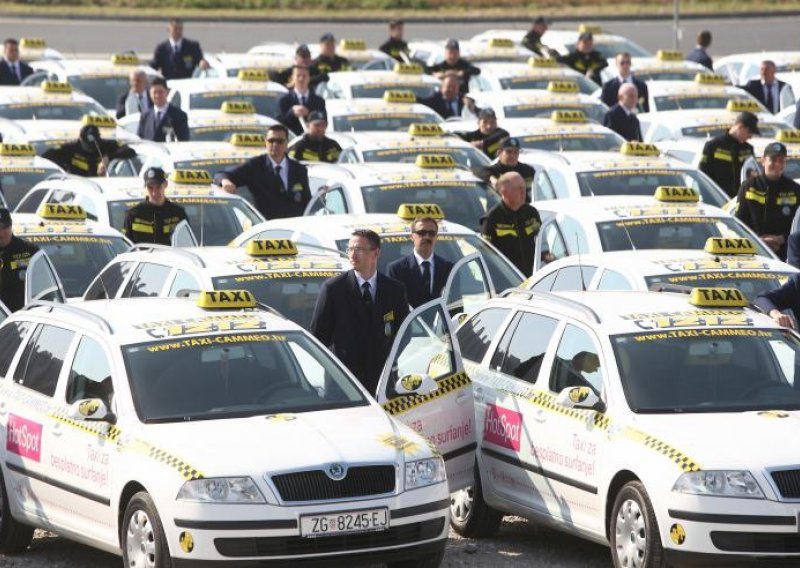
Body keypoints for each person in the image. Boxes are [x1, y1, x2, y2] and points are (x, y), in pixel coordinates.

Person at [310, 229, 409, 393]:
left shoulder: (395, 290)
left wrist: (388, 358)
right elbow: (318, 334)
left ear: (375, 253)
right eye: (350, 249)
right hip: (344, 384)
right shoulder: (333, 289)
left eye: (359, 249)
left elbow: (404, 332)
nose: (352, 254)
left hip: (381, 382)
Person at [215, 124, 310, 220]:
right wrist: (225, 181)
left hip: (292, 228)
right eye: (271, 141)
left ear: (286, 144)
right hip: (265, 227)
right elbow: (222, 174)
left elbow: (307, 201)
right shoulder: (255, 166)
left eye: (280, 141)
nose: (275, 145)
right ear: (265, 142)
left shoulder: (299, 169)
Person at [735, 142, 800, 260]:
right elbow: (739, 222)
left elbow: (798, 225)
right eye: (773, 159)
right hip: (753, 252)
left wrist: (781, 238)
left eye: (782, 160)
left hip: (784, 254)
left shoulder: (795, 189)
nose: (778, 164)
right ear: (763, 161)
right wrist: (759, 241)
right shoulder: (749, 186)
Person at [481, 172, 542, 276]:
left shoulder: (532, 213)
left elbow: (542, 242)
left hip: (534, 276)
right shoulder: (492, 219)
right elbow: (487, 256)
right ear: (504, 191)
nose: (524, 192)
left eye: (524, 188)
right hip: (508, 281)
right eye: (518, 188)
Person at [387, 216, 454, 308]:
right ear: (412, 236)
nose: (427, 237)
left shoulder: (449, 268)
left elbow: (455, 304)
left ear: (436, 237)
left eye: (431, 233)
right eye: (421, 233)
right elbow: (394, 306)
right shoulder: (396, 269)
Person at [699, 111, 758, 198]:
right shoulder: (713, 146)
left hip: (741, 199)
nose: (750, 136)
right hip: (719, 200)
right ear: (740, 126)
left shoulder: (748, 149)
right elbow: (703, 177)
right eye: (749, 132)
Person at [123, 167, 188, 245]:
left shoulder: (178, 214)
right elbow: (125, 247)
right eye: (150, 188)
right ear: (145, 188)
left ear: (165, 184)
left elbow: (187, 244)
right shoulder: (133, 215)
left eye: (158, 187)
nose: (154, 193)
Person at [42, 124, 135, 177]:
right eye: (88, 145)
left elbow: (130, 151)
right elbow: (46, 157)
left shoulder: (105, 145)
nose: (91, 148)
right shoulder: (69, 148)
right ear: (80, 139)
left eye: (94, 144)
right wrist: (63, 169)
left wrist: (108, 158)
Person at [0, 208, 38, 312]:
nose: (1, 233)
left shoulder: (30, 251)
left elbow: (41, 286)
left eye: (5, 227)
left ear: (11, 226)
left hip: (22, 316)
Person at [277, 65, 326, 136]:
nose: (301, 79)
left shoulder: (319, 101)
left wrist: (309, 114)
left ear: (309, 78)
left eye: (304, 76)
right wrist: (291, 113)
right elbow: (279, 123)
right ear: (292, 78)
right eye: (298, 76)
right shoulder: (284, 100)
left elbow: (324, 122)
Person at [137, 77, 190, 142]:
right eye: (154, 92)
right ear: (150, 94)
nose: (157, 95)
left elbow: (183, 141)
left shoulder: (179, 116)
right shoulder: (145, 116)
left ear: (167, 92)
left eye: (160, 92)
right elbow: (140, 141)